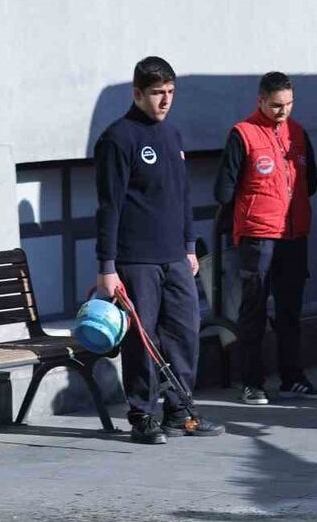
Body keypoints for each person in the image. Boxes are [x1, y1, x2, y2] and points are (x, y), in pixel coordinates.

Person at [94, 56, 224, 444]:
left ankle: (180, 411)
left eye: (170, 92)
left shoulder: (172, 135)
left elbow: (183, 196)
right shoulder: (118, 139)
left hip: (174, 257)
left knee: (185, 333)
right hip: (135, 260)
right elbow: (108, 206)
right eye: (156, 93)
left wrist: (188, 247)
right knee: (141, 339)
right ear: (137, 93)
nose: (165, 101)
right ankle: (142, 415)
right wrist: (107, 266)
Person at [214, 72, 317, 405]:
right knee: (254, 310)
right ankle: (252, 382)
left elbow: (311, 182)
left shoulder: (298, 133)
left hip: (293, 234)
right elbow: (224, 190)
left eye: (289, 104)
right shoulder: (243, 134)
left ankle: (292, 377)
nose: (283, 112)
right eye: (276, 105)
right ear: (260, 100)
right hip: (259, 236)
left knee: (290, 310)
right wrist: (253, 214)